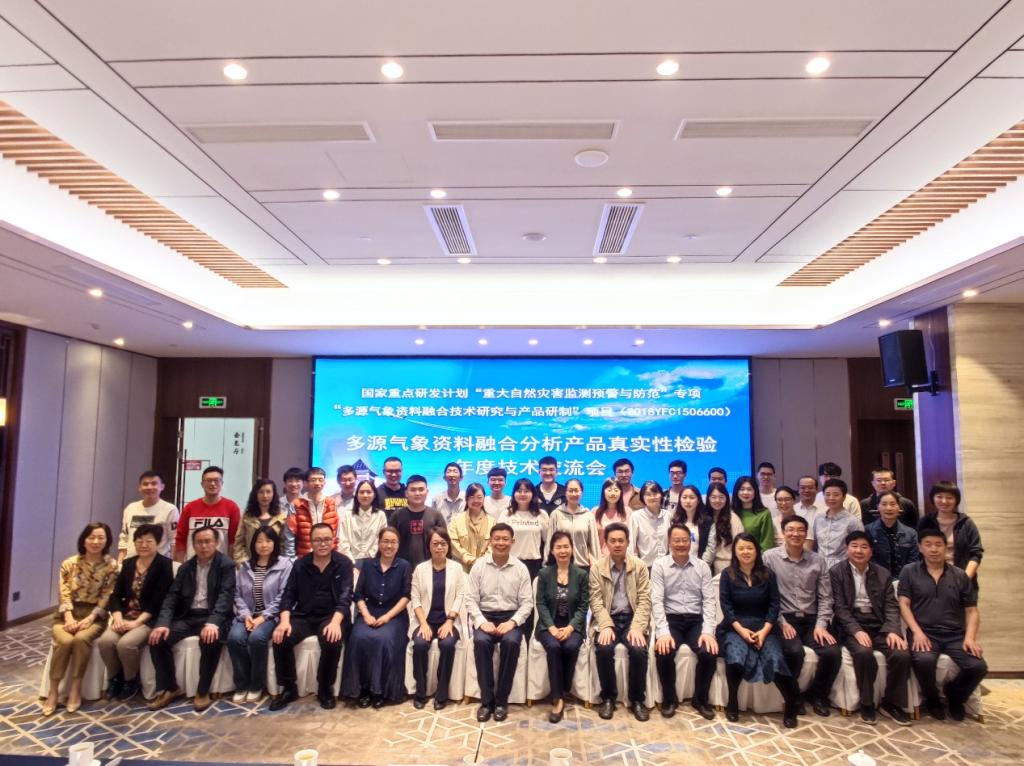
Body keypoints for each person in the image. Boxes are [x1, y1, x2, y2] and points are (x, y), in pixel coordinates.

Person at [898, 528, 987, 721]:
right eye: (928, 544)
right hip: (924, 632)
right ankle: (932, 700)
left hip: (955, 635)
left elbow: (972, 611)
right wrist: (917, 632)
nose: (934, 549)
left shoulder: (960, 575)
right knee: (924, 661)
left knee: (977, 666)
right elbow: (904, 604)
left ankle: (955, 697)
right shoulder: (909, 571)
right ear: (919, 547)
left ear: (946, 548)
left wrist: (970, 638)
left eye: (938, 545)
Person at [148, 526, 235, 712]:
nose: (203, 546)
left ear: (216, 543)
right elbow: (172, 596)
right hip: (188, 616)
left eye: (207, 542)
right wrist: (162, 623)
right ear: (193, 545)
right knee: (157, 640)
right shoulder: (186, 567)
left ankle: (202, 691)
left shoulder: (226, 565)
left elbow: (225, 597)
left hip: (213, 616)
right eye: (199, 542)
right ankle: (171, 688)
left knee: (210, 639)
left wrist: (213, 622)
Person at [718, 533, 799, 728]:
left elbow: (774, 605)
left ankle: (791, 704)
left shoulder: (768, 574)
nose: (745, 552)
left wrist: (763, 632)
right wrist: (742, 632)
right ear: (735, 551)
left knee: (775, 658)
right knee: (735, 656)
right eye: (741, 548)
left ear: (756, 550)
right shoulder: (727, 575)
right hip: (735, 626)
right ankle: (732, 701)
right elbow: (726, 607)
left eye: (750, 548)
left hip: (765, 626)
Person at [830, 531, 911, 725]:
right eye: (854, 546)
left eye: (864, 547)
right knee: (863, 653)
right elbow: (840, 608)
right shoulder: (837, 572)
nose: (859, 550)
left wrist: (893, 630)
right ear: (847, 549)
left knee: (902, 655)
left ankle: (891, 703)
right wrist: (856, 630)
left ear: (871, 551)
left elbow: (891, 606)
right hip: (852, 625)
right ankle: (867, 703)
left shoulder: (882, 573)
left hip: (879, 624)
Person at [270, 523, 354, 711]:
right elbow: (288, 594)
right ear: (310, 542)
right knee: (281, 637)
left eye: (326, 539)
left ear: (333, 541)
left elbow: (346, 596)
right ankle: (289, 688)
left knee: (332, 639)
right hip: (305, 615)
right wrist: (284, 621)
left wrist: (335, 622)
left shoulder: (343, 564)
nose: (322, 544)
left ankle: (325, 688)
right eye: (318, 540)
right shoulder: (300, 564)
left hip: (332, 615)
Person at [764, 516, 840, 718]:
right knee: (794, 651)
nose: (795, 534)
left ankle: (818, 695)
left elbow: (826, 597)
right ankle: (794, 697)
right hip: (784, 618)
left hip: (812, 620)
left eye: (800, 530)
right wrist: (781, 622)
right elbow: (767, 596)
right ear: (783, 533)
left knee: (832, 652)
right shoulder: (769, 558)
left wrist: (821, 625)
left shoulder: (818, 560)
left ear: (806, 534)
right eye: (790, 530)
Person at [42, 522, 118, 716]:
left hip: (95, 615)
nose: (96, 542)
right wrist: (68, 617)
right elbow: (64, 593)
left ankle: (76, 687)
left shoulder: (112, 566)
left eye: (101, 538)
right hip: (66, 614)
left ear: (107, 541)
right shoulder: (70, 563)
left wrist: (90, 618)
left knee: (81, 639)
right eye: (91, 537)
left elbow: (107, 596)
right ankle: (53, 691)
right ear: (83, 540)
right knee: (65, 641)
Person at [97, 524, 174, 703]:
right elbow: (116, 595)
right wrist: (117, 617)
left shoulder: (164, 565)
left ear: (157, 543)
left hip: (148, 619)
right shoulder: (129, 563)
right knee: (105, 641)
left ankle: (131, 680)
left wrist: (135, 623)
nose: (144, 545)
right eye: (139, 541)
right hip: (125, 616)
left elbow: (159, 602)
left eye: (149, 541)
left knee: (126, 644)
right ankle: (115, 678)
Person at [466, 523, 533, 723]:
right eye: (497, 539)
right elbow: (470, 599)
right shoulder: (479, 566)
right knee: (481, 642)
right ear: (490, 541)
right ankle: (487, 702)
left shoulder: (520, 568)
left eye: (505, 539)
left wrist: (512, 622)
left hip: (510, 617)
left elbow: (527, 603)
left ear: (513, 542)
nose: (501, 543)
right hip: (485, 615)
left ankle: (502, 701)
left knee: (511, 642)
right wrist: (481, 621)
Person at [652, 525, 718, 720]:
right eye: (676, 540)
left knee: (709, 652)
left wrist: (708, 631)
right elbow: (657, 601)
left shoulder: (702, 566)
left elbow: (709, 601)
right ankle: (669, 699)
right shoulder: (659, 565)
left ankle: (700, 699)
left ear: (691, 542)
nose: (681, 544)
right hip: (671, 619)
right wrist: (663, 632)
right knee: (663, 651)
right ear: (669, 542)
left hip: (696, 620)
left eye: (684, 540)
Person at [341, 527, 412, 708]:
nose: (389, 546)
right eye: (385, 541)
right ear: (379, 543)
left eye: (393, 542)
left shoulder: (404, 566)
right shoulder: (368, 565)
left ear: (398, 545)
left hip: (394, 615)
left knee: (384, 639)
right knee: (358, 638)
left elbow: (406, 596)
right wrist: (365, 615)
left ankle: (380, 691)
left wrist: (387, 617)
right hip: (369, 612)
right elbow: (358, 594)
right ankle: (361, 690)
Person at [590, 522, 651, 722]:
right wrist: (606, 625)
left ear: (627, 542)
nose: (617, 544)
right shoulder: (597, 568)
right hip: (609, 618)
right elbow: (596, 601)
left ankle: (637, 700)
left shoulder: (640, 566)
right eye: (613, 541)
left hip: (633, 618)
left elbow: (645, 600)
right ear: (606, 543)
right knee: (604, 648)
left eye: (621, 541)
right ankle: (608, 698)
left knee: (638, 649)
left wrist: (637, 627)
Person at [227, 526, 292, 704]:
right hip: (247, 616)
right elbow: (237, 594)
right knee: (234, 638)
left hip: (271, 617)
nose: (264, 545)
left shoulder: (284, 565)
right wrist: (246, 615)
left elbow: (283, 596)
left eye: (268, 541)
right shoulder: (245, 566)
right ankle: (242, 685)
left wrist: (262, 618)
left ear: (275, 543)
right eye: (259, 541)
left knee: (257, 638)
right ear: (253, 544)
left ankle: (256, 685)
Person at [535, 530, 589, 724]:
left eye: (566, 546)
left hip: (572, 625)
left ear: (572, 549)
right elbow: (540, 603)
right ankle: (557, 699)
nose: (563, 551)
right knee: (554, 646)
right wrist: (551, 627)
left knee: (571, 646)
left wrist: (570, 628)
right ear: (552, 550)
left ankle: (563, 689)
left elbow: (583, 606)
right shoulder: (544, 574)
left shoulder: (581, 574)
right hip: (548, 625)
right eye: (558, 547)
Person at [410, 528, 466, 710]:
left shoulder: (456, 568)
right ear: (429, 546)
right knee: (419, 644)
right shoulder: (420, 569)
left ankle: (442, 694)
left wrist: (449, 621)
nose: (439, 547)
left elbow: (460, 596)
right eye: (435, 543)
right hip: (425, 620)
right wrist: (423, 624)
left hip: (448, 621)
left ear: (448, 546)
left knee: (448, 645)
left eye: (443, 543)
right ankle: (420, 692)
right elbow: (415, 599)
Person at [917, 481, 982, 591]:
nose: (944, 501)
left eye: (949, 497)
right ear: (933, 498)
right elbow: (919, 552)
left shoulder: (966, 523)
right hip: (931, 581)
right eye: (939, 497)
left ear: (956, 500)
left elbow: (976, 554)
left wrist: (964, 580)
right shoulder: (925, 522)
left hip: (962, 579)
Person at [174, 465, 240, 561]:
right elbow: (180, 539)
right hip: (192, 564)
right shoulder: (190, 508)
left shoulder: (231, 507)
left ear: (222, 483)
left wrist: (230, 564)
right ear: (202, 484)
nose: (213, 484)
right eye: (209, 480)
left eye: (216, 480)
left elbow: (234, 541)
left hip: (220, 564)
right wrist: (179, 565)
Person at [117, 471, 178, 564]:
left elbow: (174, 540)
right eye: (145, 484)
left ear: (162, 486)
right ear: (139, 487)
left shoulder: (170, 509)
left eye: (154, 484)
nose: (149, 487)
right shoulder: (130, 508)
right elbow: (124, 538)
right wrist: (120, 563)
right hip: (131, 563)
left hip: (158, 565)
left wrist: (173, 565)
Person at [390, 474, 447, 568]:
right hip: (401, 569)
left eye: (421, 489)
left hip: (431, 568)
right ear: (406, 493)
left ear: (427, 492)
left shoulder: (436, 515)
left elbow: (444, 543)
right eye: (413, 490)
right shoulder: (397, 516)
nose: (417, 493)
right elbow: (390, 544)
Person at [498, 477, 550, 580]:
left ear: (533, 494)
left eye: (526, 491)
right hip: (510, 563)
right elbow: (499, 540)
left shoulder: (541, 514)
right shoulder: (506, 514)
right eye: (519, 491)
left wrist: (546, 562)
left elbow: (548, 541)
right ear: (514, 494)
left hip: (534, 564)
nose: (522, 494)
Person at [864, 490, 920, 578]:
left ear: (899, 507)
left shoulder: (911, 533)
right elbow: (869, 559)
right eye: (884, 504)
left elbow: (914, 561)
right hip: (877, 579)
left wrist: (903, 579)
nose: (888, 508)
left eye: (892, 504)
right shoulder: (868, 531)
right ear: (878, 507)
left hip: (905, 580)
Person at [287, 467, 339, 558]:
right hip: (305, 556)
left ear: (324, 482)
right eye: (313, 480)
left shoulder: (331, 503)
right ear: (305, 483)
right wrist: (291, 558)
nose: (317, 483)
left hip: (329, 556)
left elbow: (337, 532)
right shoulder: (296, 504)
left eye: (320, 480)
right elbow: (290, 534)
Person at [233, 479, 288, 565]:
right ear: (255, 494)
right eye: (261, 492)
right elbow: (239, 543)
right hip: (249, 565)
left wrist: (279, 564)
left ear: (273, 494)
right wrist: (243, 564)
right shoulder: (247, 516)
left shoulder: (281, 517)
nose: (265, 496)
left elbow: (283, 544)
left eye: (268, 492)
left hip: (275, 566)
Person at [337, 478, 388, 570]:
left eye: (369, 492)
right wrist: (351, 562)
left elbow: (381, 539)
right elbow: (343, 541)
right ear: (356, 495)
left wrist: (371, 557)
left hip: (374, 561)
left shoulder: (380, 515)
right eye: (361, 492)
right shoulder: (348, 515)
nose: (365, 495)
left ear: (374, 495)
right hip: (350, 562)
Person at [813, 479, 864, 570]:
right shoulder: (819, 518)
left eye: (836, 495)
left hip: (843, 568)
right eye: (827, 494)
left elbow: (859, 548)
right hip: (819, 568)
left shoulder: (853, 521)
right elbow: (815, 545)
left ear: (844, 497)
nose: (831, 498)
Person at [550, 478, 600, 569]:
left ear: (581, 493)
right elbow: (550, 541)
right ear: (565, 493)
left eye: (576, 490)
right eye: (570, 491)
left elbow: (594, 542)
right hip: (560, 565)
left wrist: (597, 564)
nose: (573, 494)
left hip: (583, 565)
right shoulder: (556, 514)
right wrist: (546, 563)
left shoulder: (588, 515)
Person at [450, 482, 494, 572]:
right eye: (472, 497)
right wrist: (471, 560)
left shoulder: (492, 521)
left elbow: (493, 545)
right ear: (466, 499)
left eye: (479, 497)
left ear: (484, 498)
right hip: (461, 570)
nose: (476, 500)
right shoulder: (456, 520)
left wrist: (482, 562)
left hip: (485, 569)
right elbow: (452, 543)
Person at [703, 482, 745, 575]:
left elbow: (740, 544)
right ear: (708, 498)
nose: (717, 500)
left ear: (727, 498)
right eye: (713, 497)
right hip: (705, 564)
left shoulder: (733, 518)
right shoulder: (704, 517)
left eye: (721, 497)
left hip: (727, 566)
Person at [628, 480, 671, 567]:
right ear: (642, 497)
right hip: (644, 567)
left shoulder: (668, 515)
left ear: (661, 495)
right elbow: (630, 544)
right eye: (648, 494)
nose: (652, 497)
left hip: (666, 567)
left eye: (655, 493)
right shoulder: (636, 516)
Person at [732, 476, 775, 554]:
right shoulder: (731, 512)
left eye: (749, 489)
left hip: (756, 557)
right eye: (742, 489)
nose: (745, 492)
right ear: (736, 492)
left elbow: (767, 544)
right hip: (732, 557)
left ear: (755, 491)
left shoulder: (764, 514)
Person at [670, 484, 713, 558]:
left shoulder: (707, 522)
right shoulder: (675, 521)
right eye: (684, 497)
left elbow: (710, 548)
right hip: (677, 562)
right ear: (680, 500)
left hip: (699, 563)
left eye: (692, 497)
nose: (688, 501)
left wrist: (701, 564)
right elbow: (671, 545)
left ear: (698, 500)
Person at [594, 478, 630, 554]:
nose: (613, 493)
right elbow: (591, 539)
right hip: (601, 557)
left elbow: (632, 537)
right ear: (603, 492)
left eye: (616, 490)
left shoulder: (628, 512)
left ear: (620, 493)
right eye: (609, 490)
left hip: (623, 557)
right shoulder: (595, 512)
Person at [280, 466, 306, 559]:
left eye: (298, 481)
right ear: (285, 483)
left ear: (304, 483)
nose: (294, 484)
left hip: (303, 552)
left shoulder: (307, 504)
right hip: (280, 551)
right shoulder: (277, 504)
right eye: (290, 481)